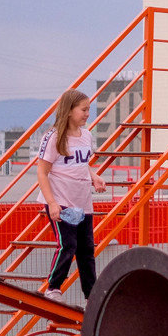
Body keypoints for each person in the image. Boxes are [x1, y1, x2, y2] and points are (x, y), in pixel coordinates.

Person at [35, 89, 106, 305]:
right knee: (68, 244)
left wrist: (94, 176)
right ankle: (53, 287)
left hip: (82, 202)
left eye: (89, 110)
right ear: (69, 111)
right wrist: (52, 203)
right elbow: (42, 171)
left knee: (86, 250)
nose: (87, 114)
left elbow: (80, 165)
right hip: (62, 201)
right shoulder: (54, 137)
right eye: (83, 110)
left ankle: (91, 295)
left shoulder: (86, 136)